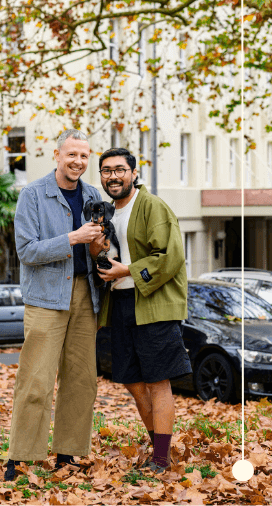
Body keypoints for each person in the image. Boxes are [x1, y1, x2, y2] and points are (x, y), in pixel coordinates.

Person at [4, 129, 104, 481]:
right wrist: (72, 238)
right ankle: (20, 458)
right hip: (46, 297)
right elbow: (27, 251)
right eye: (72, 154)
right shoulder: (32, 194)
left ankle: (67, 454)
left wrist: (100, 246)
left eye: (84, 155)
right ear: (57, 155)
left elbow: (98, 247)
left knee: (81, 380)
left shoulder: (93, 195)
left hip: (86, 295)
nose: (78, 161)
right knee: (35, 380)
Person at [92, 148, 191, 473]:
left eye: (120, 169)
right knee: (133, 382)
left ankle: (161, 458)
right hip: (120, 305)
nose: (113, 176)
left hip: (153, 305)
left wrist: (127, 271)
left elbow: (170, 257)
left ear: (133, 173)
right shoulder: (107, 213)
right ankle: (159, 449)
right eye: (107, 171)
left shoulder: (152, 206)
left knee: (157, 382)